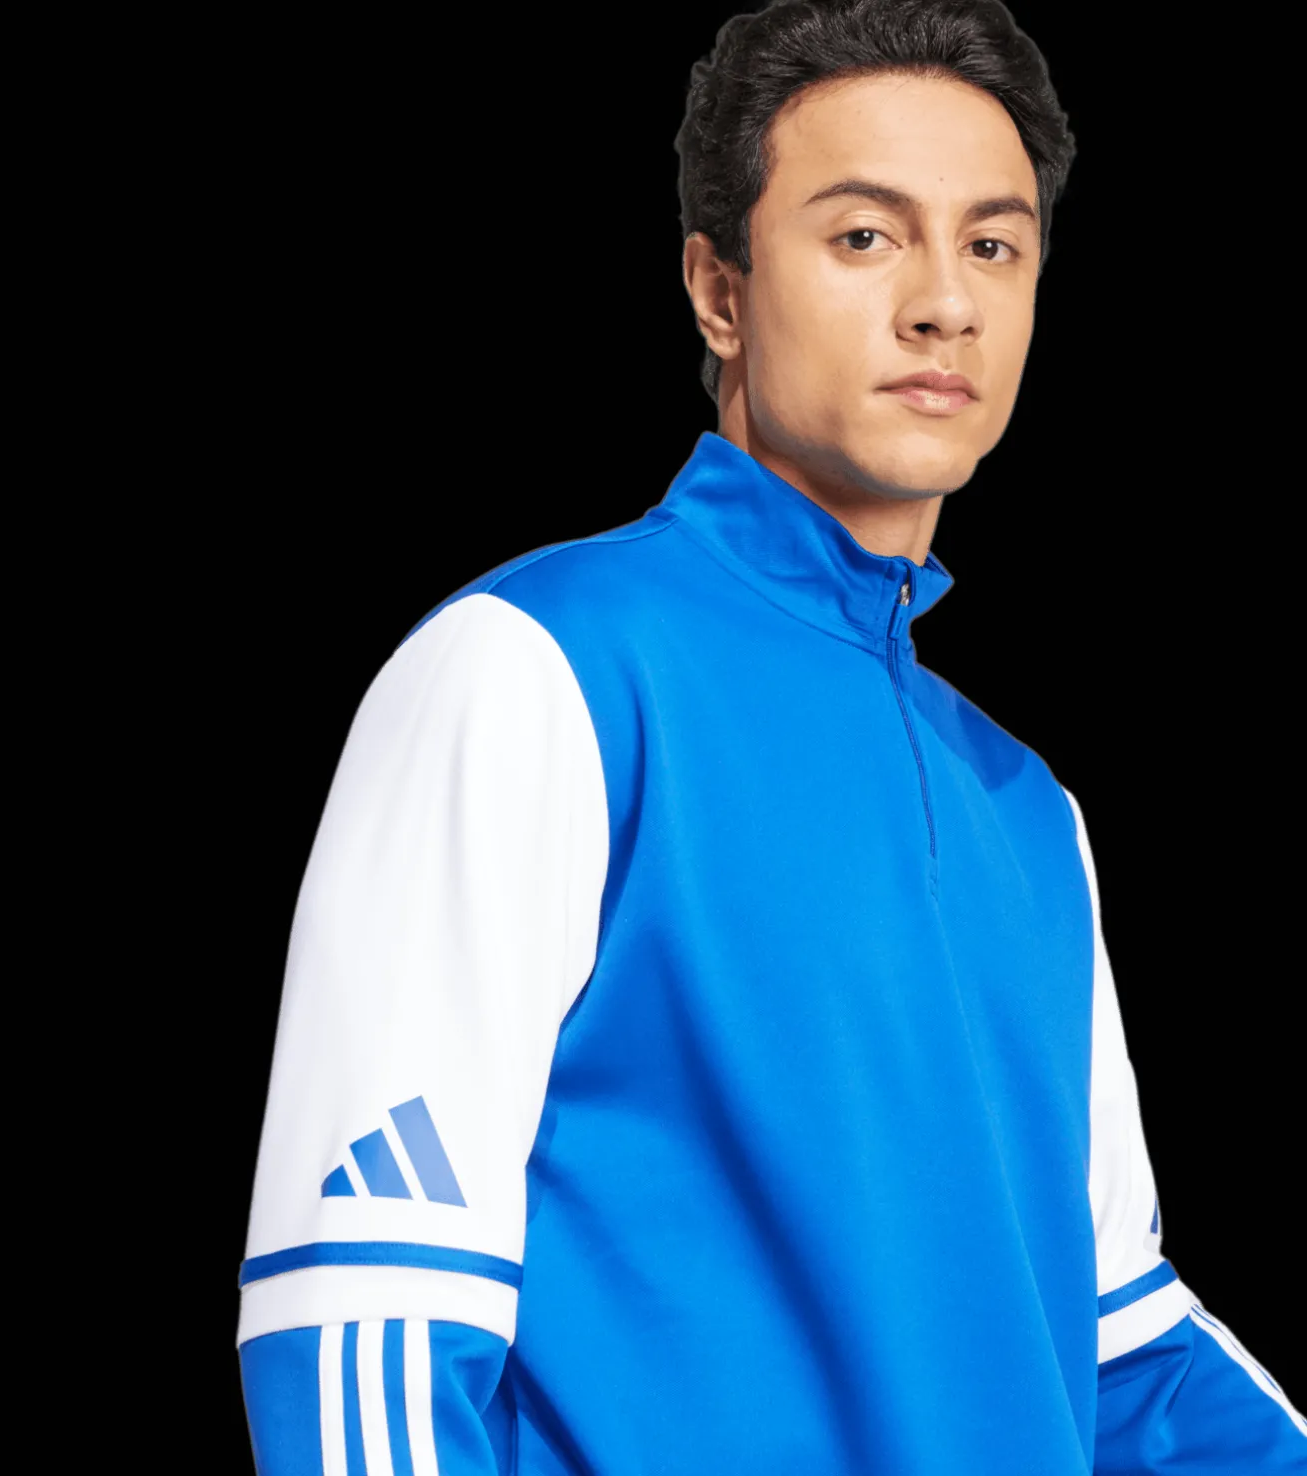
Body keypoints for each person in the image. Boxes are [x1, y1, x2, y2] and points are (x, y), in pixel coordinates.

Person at [236, 1, 1305, 1470]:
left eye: (994, 246)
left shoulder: (1027, 809)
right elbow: (370, 1318)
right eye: (866, 236)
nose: (944, 304)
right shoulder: (539, 670)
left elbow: (1125, 1359)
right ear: (719, 290)